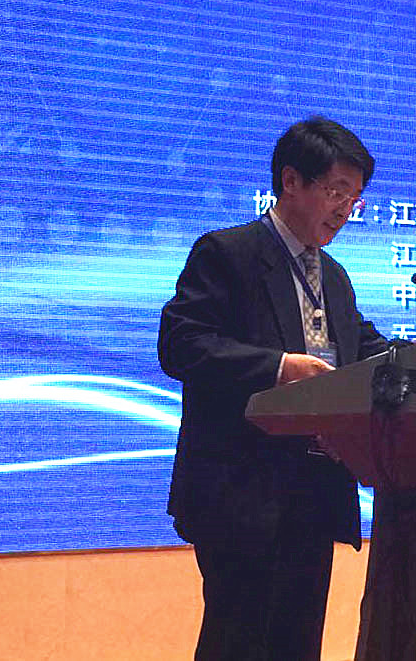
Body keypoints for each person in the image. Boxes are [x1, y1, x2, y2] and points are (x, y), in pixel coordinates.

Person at [158, 117, 389, 660]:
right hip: (241, 490)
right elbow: (182, 345)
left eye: (353, 198)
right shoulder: (228, 253)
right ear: (291, 181)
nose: (344, 209)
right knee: (238, 643)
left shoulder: (334, 276)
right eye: (335, 191)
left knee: (298, 644)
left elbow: (362, 345)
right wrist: (279, 367)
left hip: (314, 488)